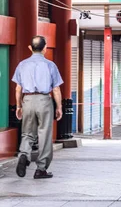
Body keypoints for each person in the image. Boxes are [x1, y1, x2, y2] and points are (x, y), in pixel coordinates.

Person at [12, 35, 63, 179]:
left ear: (30, 48)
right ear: (45, 48)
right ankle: (41, 169)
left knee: (27, 133)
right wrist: (59, 107)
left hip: (27, 99)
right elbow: (56, 89)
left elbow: (18, 89)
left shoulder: (22, 65)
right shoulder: (50, 65)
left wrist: (18, 106)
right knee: (44, 134)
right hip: (44, 100)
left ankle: (24, 155)